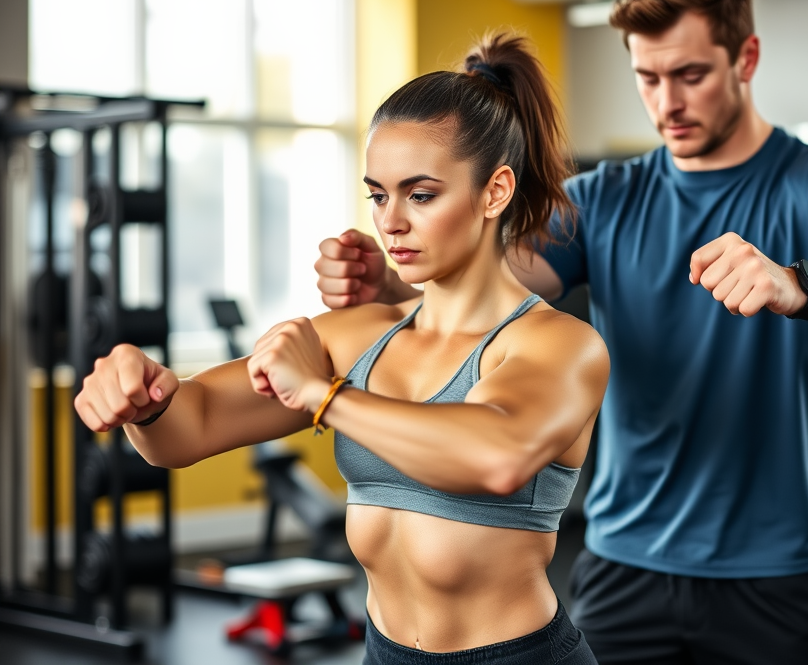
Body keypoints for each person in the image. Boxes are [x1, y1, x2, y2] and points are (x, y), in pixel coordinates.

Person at [313, 0, 808, 664]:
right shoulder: (606, 200)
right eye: (648, 78)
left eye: (690, 75)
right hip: (624, 571)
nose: (667, 101)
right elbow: (489, 294)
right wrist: (393, 288)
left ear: (746, 58)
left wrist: (800, 285)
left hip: (778, 578)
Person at [74, 33, 609, 664]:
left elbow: (494, 455)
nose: (391, 222)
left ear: (495, 192)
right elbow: (192, 426)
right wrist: (145, 396)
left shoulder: (560, 344)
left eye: (422, 194)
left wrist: (323, 395)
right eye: (379, 195)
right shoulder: (359, 335)